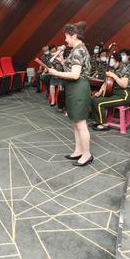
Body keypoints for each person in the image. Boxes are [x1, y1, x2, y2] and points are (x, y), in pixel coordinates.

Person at [44, 21, 93, 166]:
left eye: (66, 37)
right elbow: (75, 68)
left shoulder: (78, 50)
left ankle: (87, 154)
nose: (65, 40)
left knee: (81, 123)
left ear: (74, 35)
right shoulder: (79, 48)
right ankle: (78, 151)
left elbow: (75, 75)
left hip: (78, 88)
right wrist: (63, 62)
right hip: (75, 88)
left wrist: (55, 72)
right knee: (76, 122)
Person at [90, 50, 130, 131]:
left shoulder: (124, 69)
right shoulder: (111, 69)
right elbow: (106, 82)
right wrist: (100, 91)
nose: (108, 60)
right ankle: (97, 121)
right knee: (93, 99)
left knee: (98, 103)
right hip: (114, 94)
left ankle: (105, 125)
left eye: (110, 59)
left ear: (116, 60)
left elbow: (124, 85)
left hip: (124, 95)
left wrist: (114, 75)